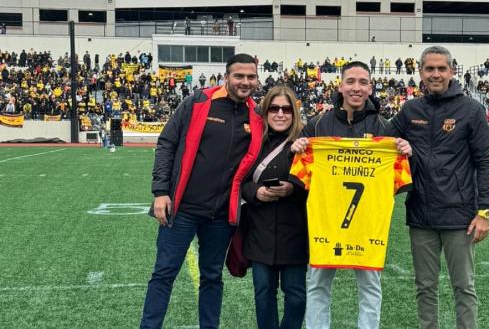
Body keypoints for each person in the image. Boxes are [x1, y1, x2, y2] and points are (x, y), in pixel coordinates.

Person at [140, 53, 264, 329]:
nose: (245, 82)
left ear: (257, 79)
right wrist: (161, 192)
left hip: (221, 216)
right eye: (239, 76)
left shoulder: (256, 116)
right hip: (182, 209)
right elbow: (167, 144)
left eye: (251, 77)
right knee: (163, 274)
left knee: (211, 277)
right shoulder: (198, 102)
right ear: (226, 77)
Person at [290, 61, 412, 329]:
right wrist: (298, 147)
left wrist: (403, 150)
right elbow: (300, 175)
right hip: (326, 220)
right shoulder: (317, 125)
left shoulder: (384, 127)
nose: (356, 88)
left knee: (370, 284)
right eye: (351, 81)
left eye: (363, 82)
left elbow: (398, 180)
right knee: (318, 283)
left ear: (370, 88)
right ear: (340, 85)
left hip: (367, 223)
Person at [385, 46, 489, 329]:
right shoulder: (410, 110)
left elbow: (485, 162)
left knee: (464, 287)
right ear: (420, 72)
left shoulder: (471, 110)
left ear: (452, 71)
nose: (435, 74)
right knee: (424, 287)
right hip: (421, 214)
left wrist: (484, 212)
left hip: (460, 216)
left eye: (441, 68)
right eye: (429, 69)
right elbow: (380, 141)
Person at [241, 86, 309, 329]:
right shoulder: (253, 143)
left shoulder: (306, 144)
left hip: (296, 231)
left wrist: (293, 188)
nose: (280, 114)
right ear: (265, 111)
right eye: (274, 108)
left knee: (296, 295)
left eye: (287, 109)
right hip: (260, 231)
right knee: (263, 294)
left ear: (295, 113)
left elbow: (318, 183)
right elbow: (240, 181)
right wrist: (255, 192)